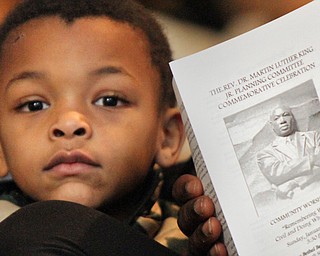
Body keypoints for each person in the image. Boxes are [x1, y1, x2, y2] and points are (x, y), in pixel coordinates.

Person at [0, 0, 227, 255]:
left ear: (167, 136)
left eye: (109, 101)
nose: (69, 123)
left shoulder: (203, 233)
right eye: (33, 105)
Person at [256, 105, 320, 199]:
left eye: (286, 115)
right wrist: (311, 159)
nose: (282, 121)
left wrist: (293, 182)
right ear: (272, 125)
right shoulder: (265, 154)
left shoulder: (313, 137)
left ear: (293, 119)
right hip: (294, 200)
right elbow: (277, 174)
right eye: (276, 118)